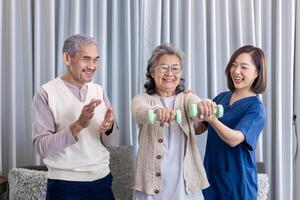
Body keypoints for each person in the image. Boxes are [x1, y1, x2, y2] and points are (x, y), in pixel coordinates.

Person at [32, 34, 119, 200]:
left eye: (96, 60)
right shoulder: (46, 93)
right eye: (86, 59)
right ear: (67, 58)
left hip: (102, 180)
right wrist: (77, 126)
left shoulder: (98, 90)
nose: (92, 66)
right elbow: (41, 147)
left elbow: (112, 143)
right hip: (65, 185)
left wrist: (109, 128)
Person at [131, 44, 209, 200]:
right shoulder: (142, 99)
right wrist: (156, 112)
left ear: (180, 73)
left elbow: (197, 104)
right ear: (152, 72)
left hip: (184, 183)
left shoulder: (187, 97)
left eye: (175, 68)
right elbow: (140, 112)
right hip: (150, 184)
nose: (170, 74)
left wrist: (205, 105)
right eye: (164, 68)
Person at [197, 45, 267, 200]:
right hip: (211, 177)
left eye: (244, 67)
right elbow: (198, 129)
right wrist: (194, 106)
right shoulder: (221, 98)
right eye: (234, 65)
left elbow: (234, 139)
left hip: (237, 183)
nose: (236, 71)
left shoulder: (256, 109)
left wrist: (212, 119)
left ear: (257, 72)